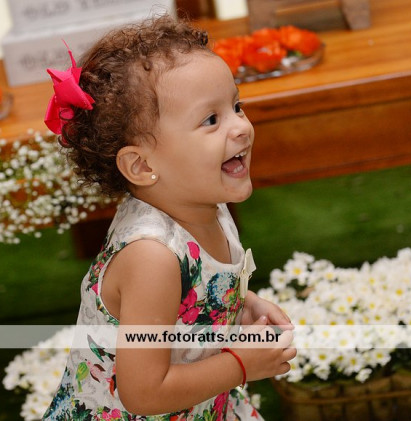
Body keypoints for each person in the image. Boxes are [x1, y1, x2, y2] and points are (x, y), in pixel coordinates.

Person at [42, 14, 296, 421]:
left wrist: (240, 303)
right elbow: (144, 391)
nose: (241, 127)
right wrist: (241, 364)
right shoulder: (152, 257)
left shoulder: (204, 203)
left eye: (236, 106)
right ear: (142, 166)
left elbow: (192, 297)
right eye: (210, 120)